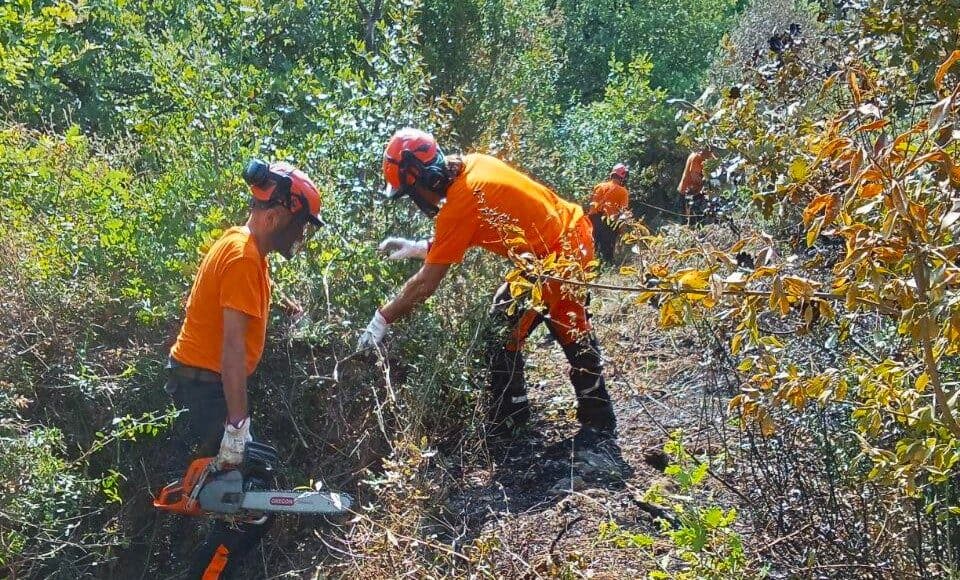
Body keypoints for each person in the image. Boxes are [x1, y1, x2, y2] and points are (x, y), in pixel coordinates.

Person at [357, 128, 616, 444]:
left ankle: (517, 424)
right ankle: (582, 417)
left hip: (556, 256)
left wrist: (380, 320)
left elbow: (426, 283)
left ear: (423, 179)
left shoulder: (460, 201)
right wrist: (420, 245)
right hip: (568, 235)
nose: (414, 202)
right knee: (543, 321)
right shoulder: (474, 164)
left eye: (410, 193)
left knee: (514, 327)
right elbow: (467, 229)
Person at [164, 160, 322, 579]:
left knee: (233, 494)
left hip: (196, 385)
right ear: (275, 215)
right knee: (247, 501)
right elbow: (231, 350)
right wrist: (237, 427)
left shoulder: (243, 244)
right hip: (205, 391)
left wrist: (279, 304)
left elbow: (240, 300)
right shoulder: (243, 258)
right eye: (301, 224)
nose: (302, 235)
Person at [588, 163, 631, 264]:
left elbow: (592, 205)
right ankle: (606, 267)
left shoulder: (599, 186)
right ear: (622, 176)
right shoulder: (623, 191)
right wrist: (622, 229)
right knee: (607, 251)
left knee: (592, 246)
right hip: (609, 222)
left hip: (593, 219)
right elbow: (623, 213)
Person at [677, 148, 715, 225]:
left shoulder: (708, 156)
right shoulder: (697, 157)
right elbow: (695, 176)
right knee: (688, 220)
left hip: (695, 192)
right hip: (688, 191)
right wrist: (706, 184)